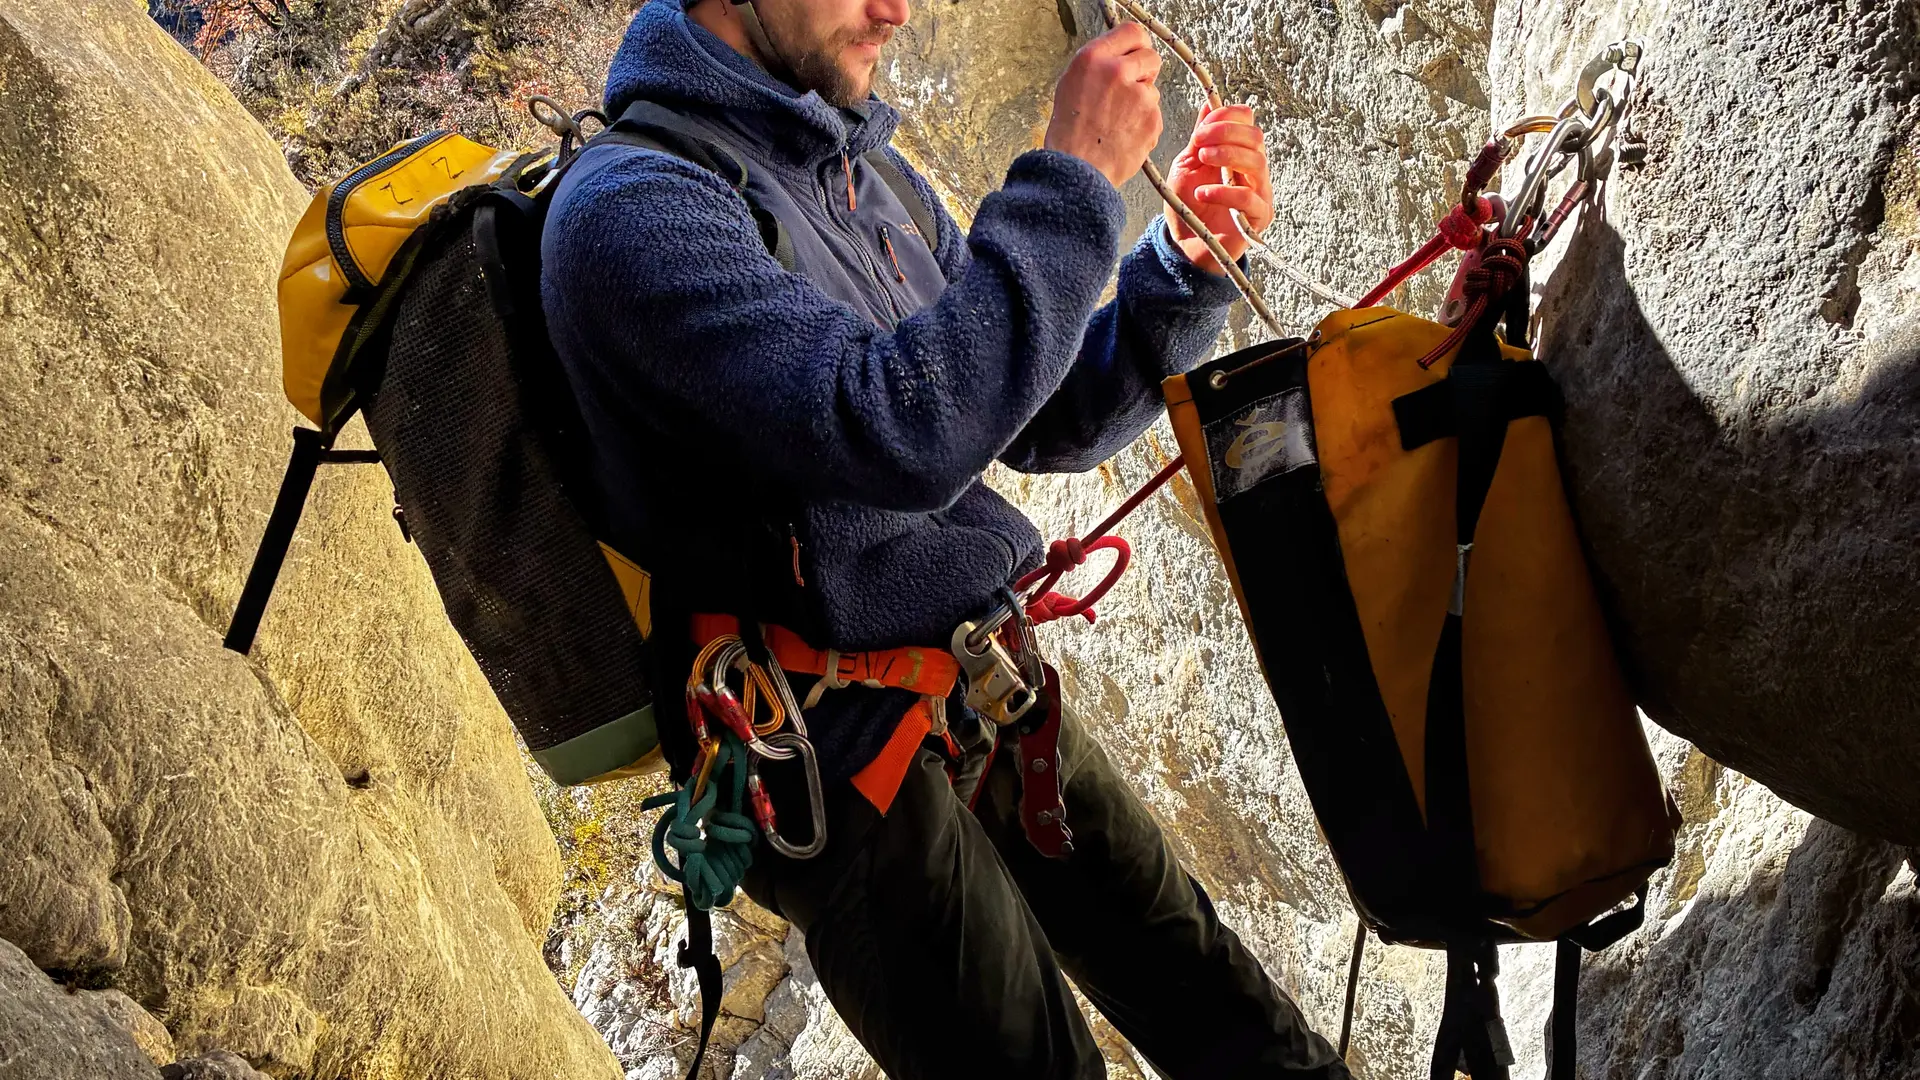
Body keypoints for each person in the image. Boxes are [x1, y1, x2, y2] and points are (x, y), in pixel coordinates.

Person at [542, 1, 1350, 1076]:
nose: (894, 8)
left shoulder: (858, 172)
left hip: (990, 690)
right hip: (832, 766)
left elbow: (1033, 411)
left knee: (1230, 1012)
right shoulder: (631, 210)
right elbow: (902, 428)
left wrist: (1180, 266)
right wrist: (1070, 178)